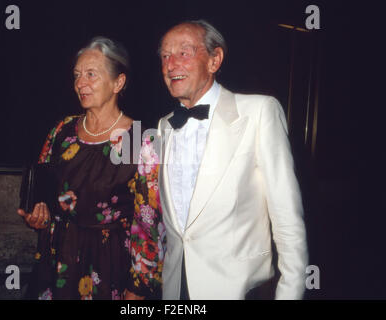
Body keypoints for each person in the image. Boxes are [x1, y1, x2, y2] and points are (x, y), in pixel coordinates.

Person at [156, 20, 308, 299]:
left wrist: (290, 293)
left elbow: (287, 216)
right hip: (177, 289)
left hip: (239, 290)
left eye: (184, 52)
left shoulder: (259, 112)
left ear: (215, 60)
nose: (171, 64)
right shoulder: (165, 126)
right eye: (165, 55)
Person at [17, 36, 164, 300]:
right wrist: (38, 215)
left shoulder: (138, 140)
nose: (80, 83)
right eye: (77, 75)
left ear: (118, 82)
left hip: (108, 268)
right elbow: (44, 191)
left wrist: (139, 288)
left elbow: (148, 223)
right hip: (56, 260)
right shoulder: (62, 131)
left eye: (91, 74)